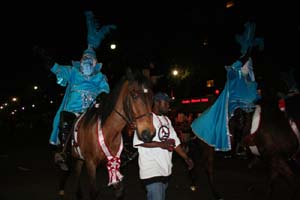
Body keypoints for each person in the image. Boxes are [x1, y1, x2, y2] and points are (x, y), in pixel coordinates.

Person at [133, 92, 194, 200]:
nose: (168, 106)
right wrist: (161, 144)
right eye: (165, 103)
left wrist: (186, 157)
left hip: (165, 169)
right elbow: (139, 141)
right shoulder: (146, 119)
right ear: (157, 103)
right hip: (151, 170)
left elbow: (175, 142)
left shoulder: (167, 120)